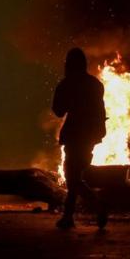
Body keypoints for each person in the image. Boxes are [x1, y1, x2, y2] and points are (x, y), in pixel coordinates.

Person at [52, 47, 108, 229]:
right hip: (90, 136)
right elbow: (100, 111)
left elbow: (58, 110)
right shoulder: (95, 84)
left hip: (75, 135)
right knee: (74, 175)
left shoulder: (67, 83)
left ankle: (97, 204)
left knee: (72, 177)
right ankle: (69, 217)